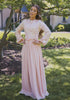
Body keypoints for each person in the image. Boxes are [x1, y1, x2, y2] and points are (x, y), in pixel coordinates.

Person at [15, 4, 51, 100]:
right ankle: (27, 89)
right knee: (27, 66)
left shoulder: (39, 23)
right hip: (26, 47)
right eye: (31, 10)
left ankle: (37, 89)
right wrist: (20, 39)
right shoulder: (25, 22)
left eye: (34, 10)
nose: (32, 12)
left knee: (35, 66)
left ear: (37, 13)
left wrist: (40, 41)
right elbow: (17, 30)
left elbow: (48, 32)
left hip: (35, 48)